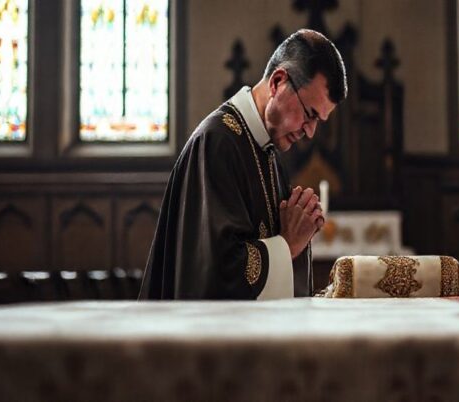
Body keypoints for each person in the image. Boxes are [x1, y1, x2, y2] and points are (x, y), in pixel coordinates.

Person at [139, 29, 347, 300]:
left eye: (318, 120)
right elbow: (218, 271)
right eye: (309, 114)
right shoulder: (218, 143)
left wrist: (299, 227)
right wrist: (288, 245)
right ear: (278, 82)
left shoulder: (268, 152)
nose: (310, 132)